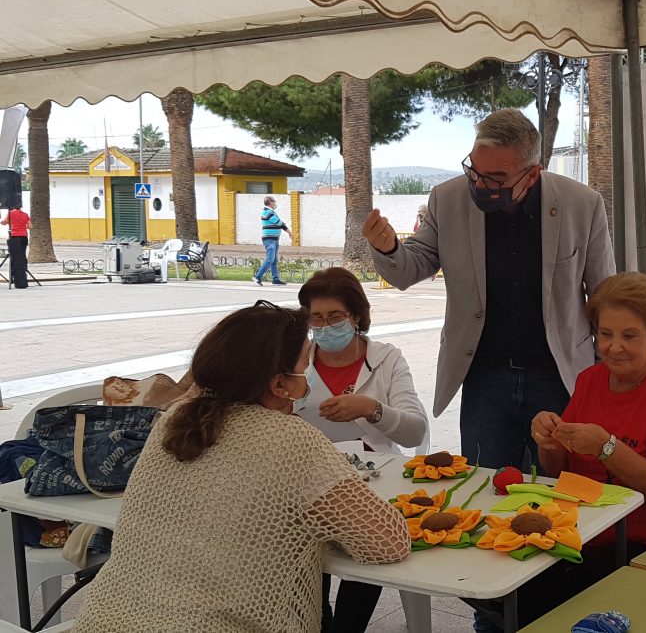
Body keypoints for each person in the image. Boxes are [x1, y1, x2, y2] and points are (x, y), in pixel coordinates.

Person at [71, 302, 411, 633]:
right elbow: (388, 542)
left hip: (103, 620)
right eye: (306, 364)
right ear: (279, 385)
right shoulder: (291, 439)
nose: (310, 377)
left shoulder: (173, 419)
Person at [363, 108, 615, 471]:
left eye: (496, 178)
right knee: (484, 482)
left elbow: (604, 295)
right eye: (474, 171)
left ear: (532, 174)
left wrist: (607, 372)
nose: (480, 186)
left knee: (561, 485)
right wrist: (388, 248)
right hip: (484, 377)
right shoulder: (447, 198)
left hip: (558, 375)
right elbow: (410, 268)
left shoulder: (582, 203)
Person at [513, 273, 646, 630]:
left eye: (629, 336)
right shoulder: (590, 380)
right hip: (588, 531)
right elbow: (560, 473)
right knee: (504, 579)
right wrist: (549, 441)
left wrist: (607, 448)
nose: (614, 347)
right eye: (605, 334)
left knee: (534, 600)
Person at [296, 267, 429, 632]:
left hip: (374, 483)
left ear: (355, 316)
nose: (325, 326)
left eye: (335, 316)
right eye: (316, 318)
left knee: (372, 545)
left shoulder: (386, 359)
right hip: (309, 482)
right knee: (304, 552)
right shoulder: (296, 360)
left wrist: (372, 409)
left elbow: (415, 429)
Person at [253, 195, 291, 286]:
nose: (275, 204)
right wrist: (287, 230)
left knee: (274, 260)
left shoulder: (270, 212)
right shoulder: (267, 212)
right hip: (269, 239)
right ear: (270, 202)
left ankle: (275, 279)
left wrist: (285, 228)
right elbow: (278, 222)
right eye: (274, 202)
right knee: (270, 259)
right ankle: (257, 277)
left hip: (274, 238)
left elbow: (279, 223)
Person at [1, 205, 30, 289]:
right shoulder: (25, 214)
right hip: (24, 237)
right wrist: (23, 226)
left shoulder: (10, 214)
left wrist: (3, 222)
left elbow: (4, 222)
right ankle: (23, 275)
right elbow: (30, 226)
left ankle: (13, 277)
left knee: (14, 257)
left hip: (14, 237)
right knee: (22, 256)